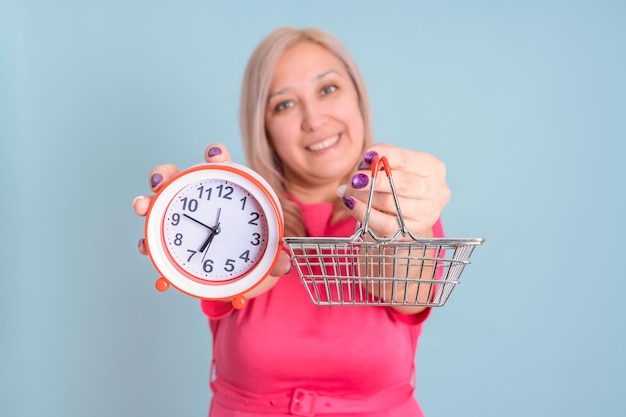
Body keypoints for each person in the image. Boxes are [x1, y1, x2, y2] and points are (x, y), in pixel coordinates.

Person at [133, 27, 450, 417]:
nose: (314, 120)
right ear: (263, 128)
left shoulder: (398, 210)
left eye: (328, 89)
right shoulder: (243, 216)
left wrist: (407, 228)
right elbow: (223, 273)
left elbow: (407, 290)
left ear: (358, 97)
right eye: (284, 105)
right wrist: (186, 228)